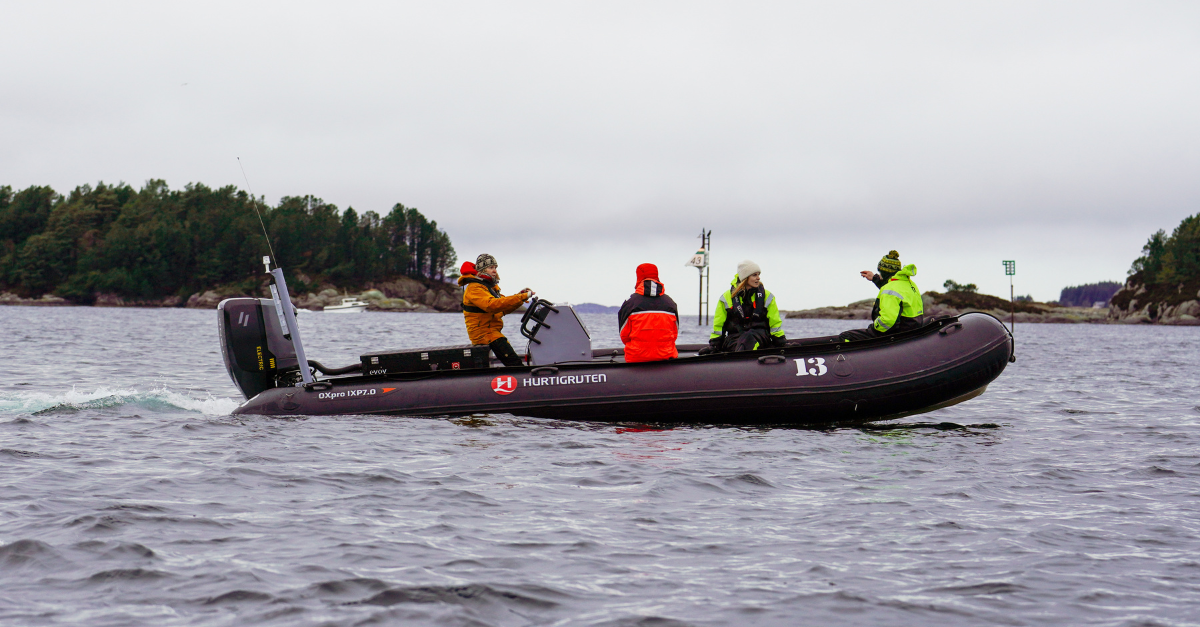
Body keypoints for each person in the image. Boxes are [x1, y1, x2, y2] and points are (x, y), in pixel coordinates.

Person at [457, 253, 533, 367]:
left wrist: (520, 297)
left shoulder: (487, 287)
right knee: (514, 363)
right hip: (484, 335)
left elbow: (502, 307)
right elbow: (492, 305)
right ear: (482, 270)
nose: (495, 271)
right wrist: (521, 297)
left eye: (495, 268)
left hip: (492, 332)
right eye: (491, 268)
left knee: (512, 358)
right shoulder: (475, 288)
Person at [838, 250, 924, 342]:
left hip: (896, 334)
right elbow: (893, 288)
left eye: (880, 271)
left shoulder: (890, 289)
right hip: (911, 330)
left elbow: (887, 321)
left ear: (884, 272)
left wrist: (873, 328)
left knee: (846, 336)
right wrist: (874, 278)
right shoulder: (909, 283)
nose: (879, 273)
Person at [702, 260, 786, 353]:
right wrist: (714, 345)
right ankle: (741, 361)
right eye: (754, 275)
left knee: (749, 337)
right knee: (744, 340)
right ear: (745, 277)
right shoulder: (726, 298)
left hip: (760, 337)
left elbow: (775, 323)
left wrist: (781, 343)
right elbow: (718, 325)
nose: (758, 278)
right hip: (734, 338)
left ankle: (741, 361)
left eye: (758, 274)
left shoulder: (767, 296)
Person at [617, 263, 679, 363]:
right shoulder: (670, 303)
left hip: (636, 359)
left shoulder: (630, 304)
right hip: (667, 359)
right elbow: (674, 333)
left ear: (638, 277)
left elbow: (624, 336)